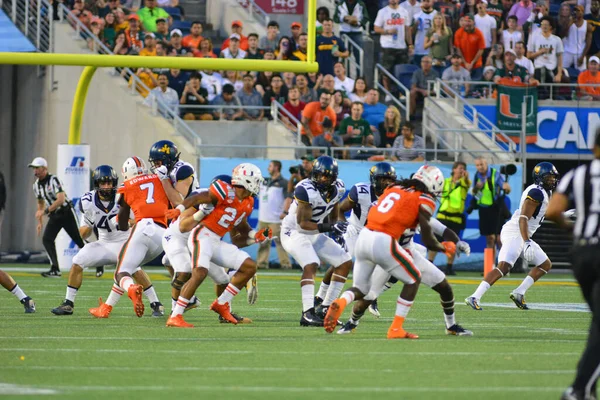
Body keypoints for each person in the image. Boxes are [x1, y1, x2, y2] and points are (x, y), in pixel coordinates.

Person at [323, 166, 456, 338]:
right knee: (411, 279)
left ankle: (341, 302)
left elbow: (434, 225)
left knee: (363, 290)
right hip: (388, 245)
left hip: (366, 238)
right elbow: (427, 233)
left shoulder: (394, 190)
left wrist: (456, 241)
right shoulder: (420, 199)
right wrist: (444, 247)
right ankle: (393, 328)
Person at [164, 164, 269, 328]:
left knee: (249, 267)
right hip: (202, 235)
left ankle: (222, 304)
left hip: (216, 241)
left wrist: (255, 237)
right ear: (245, 179)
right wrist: (179, 208)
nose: (258, 185)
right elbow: (198, 198)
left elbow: (240, 235)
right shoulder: (225, 190)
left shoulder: (248, 202)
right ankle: (175, 315)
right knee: (200, 272)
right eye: (255, 180)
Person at [51, 165, 162, 316]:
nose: (107, 186)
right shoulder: (87, 201)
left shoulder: (124, 193)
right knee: (77, 261)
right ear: (96, 184)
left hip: (126, 240)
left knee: (133, 268)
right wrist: (87, 227)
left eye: (110, 183)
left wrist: (127, 221)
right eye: (103, 183)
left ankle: (156, 304)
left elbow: (139, 220)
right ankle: (68, 303)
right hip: (104, 243)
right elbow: (83, 232)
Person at [547, 130, 600, 400]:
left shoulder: (577, 175)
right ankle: (579, 389)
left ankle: (586, 387)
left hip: (581, 254)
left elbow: (553, 211)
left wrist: (574, 230)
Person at [466, 162, 560, 311]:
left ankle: (519, 292)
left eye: (553, 177)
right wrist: (527, 241)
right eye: (549, 177)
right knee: (504, 266)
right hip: (516, 232)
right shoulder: (536, 193)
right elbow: (523, 218)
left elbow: (540, 214)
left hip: (522, 234)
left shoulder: (544, 192)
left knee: (545, 264)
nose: (552, 180)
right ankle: (474, 296)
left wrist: (561, 215)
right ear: (540, 177)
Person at [89, 157, 167, 319]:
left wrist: (119, 222)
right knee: (128, 267)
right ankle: (107, 308)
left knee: (121, 272)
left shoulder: (127, 186)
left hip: (143, 228)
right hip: (162, 235)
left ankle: (131, 288)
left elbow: (123, 224)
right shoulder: (160, 179)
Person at [280, 156, 353, 326]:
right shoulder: (304, 189)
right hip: (293, 232)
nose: (323, 179)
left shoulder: (338, 188)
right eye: (320, 175)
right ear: (314, 174)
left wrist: (337, 230)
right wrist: (329, 228)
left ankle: (326, 308)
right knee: (311, 263)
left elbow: (333, 208)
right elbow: (302, 225)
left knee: (344, 261)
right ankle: (307, 313)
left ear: (334, 177)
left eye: (327, 176)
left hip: (314, 232)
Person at [30, 157, 86, 278]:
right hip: (55, 214)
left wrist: (44, 211)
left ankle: (99, 262)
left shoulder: (53, 179)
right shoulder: (36, 186)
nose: (35, 171)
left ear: (44, 169)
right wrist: (40, 222)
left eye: (37, 168)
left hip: (66, 212)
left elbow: (60, 199)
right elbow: (40, 203)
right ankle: (55, 269)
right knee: (47, 239)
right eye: (34, 168)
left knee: (79, 240)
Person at [428, 161, 471, 275]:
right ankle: (430, 263)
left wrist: (466, 177)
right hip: (442, 216)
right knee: (436, 241)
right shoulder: (445, 182)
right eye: (460, 168)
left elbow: (467, 182)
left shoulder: (465, 183)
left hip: (456, 218)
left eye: (463, 169)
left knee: (453, 244)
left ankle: (449, 267)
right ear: (454, 169)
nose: (461, 170)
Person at [471, 156, 511, 264]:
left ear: (486, 164)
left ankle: (505, 264)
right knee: (490, 239)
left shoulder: (495, 174)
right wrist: (477, 188)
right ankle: (490, 265)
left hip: (496, 209)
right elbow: (475, 193)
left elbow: (505, 188)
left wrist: (506, 188)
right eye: (477, 165)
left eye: (481, 165)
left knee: (498, 239)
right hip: (484, 210)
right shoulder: (476, 176)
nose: (480, 167)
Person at [374, 0, 413, 96]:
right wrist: (387, 31)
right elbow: (376, 28)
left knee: (402, 71)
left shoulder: (404, 11)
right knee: (386, 71)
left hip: (401, 46)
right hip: (387, 46)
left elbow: (407, 30)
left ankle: (401, 93)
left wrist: (410, 45)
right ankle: (388, 93)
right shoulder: (382, 12)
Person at [257, 161, 291, 270]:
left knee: (280, 243)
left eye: (270, 166)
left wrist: (285, 212)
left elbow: (288, 198)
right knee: (263, 242)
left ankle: (285, 264)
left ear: (276, 168)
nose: (268, 168)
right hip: (263, 218)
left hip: (276, 219)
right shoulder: (264, 181)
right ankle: (262, 263)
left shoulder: (284, 183)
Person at [527, 17, 565, 84]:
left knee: (552, 92)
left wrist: (559, 74)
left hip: (552, 68)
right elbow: (528, 55)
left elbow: (560, 58)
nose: (544, 26)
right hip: (539, 68)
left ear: (550, 26)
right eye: (542, 24)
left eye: (546, 24)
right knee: (541, 92)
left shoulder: (557, 40)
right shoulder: (534, 38)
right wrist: (540, 52)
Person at [454, 14, 486, 80]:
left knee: (475, 86)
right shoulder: (458, 32)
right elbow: (458, 49)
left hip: (476, 65)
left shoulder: (479, 33)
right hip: (462, 65)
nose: (467, 23)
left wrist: (472, 63)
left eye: (469, 21)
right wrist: (465, 63)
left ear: (473, 22)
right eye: (465, 21)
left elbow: (481, 49)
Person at [563, 5, 592, 72]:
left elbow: (588, 42)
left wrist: (583, 56)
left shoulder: (587, 25)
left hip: (580, 52)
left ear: (582, 12)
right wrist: (569, 24)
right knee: (562, 71)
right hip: (568, 50)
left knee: (582, 72)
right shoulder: (568, 22)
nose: (576, 12)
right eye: (574, 10)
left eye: (578, 10)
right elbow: (563, 35)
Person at [413, 0, 438, 65]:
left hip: (433, 50)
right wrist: (415, 26)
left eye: (428, 1)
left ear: (432, 1)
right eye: (424, 1)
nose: (426, 3)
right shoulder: (416, 16)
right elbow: (412, 33)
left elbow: (439, 31)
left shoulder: (437, 15)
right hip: (419, 49)